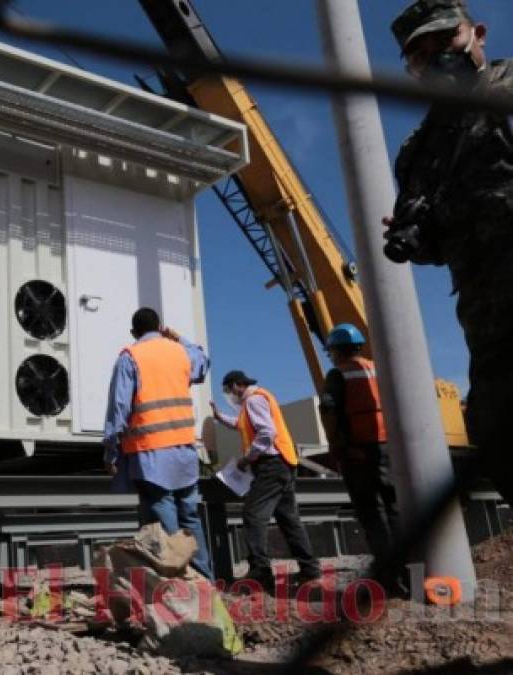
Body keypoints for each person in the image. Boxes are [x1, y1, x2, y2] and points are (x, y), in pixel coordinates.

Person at [387, 0, 513, 505]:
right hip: (492, 325)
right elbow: (438, 243)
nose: (436, 59)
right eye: (419, 56)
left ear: (477, 33)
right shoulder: (420, 151)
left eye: (446, 42)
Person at [102, 307, 214, 581]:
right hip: (184, 451)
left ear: (133, 332)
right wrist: (178, 338)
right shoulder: (180, 352)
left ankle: (179, 583)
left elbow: (119, 409)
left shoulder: (130, 357)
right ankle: (205, 583)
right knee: (190, 517)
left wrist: (110, 451)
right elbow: (203, 359)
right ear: (161, 327)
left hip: (150, 451)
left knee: (164, 521)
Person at [211, 371, 320, 589]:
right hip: (282, 462)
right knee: (289, 519)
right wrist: (219, 416)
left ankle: (260, 572)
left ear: (236, 385)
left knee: (253, 514)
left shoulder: (253, 400)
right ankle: (310, 569)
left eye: (227, 390)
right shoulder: (255, 401)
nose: (228, 395)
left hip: (271, 464)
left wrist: (247, 458)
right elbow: (242, 425)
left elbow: (266, 432)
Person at [319, 324, 405, 594]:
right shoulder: (377, 368)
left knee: (371, 512)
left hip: (358, 450)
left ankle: (388, 576)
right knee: (394, 508)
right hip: (388, 446)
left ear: (336, 351)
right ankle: (408, 568)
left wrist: (335, 443)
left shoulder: (339, 373)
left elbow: (329, 409)